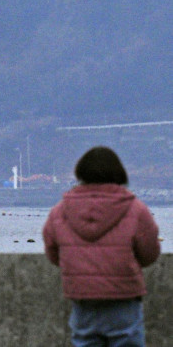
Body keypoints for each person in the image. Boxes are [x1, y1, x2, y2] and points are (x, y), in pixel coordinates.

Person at [43, 146, 160, 347]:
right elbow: (149, 252)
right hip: (124, 296)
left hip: (83, 298)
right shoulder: (135, 209)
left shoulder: (60, 211)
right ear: (118, 173)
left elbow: (53, 252)